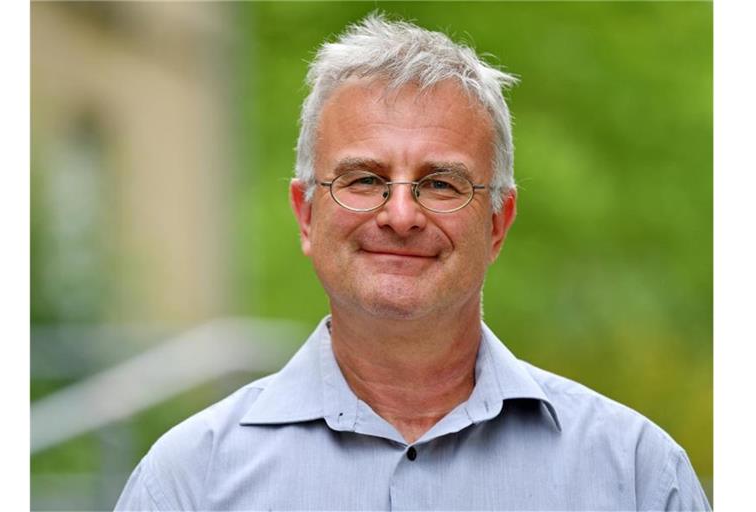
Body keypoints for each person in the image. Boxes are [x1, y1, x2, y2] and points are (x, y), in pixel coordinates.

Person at [115, 14, 710, 511]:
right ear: (306, 215)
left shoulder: (636, 478)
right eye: (365, 178)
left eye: (442, 184)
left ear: (498, 223)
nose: (400, 214)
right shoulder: (187, 484)